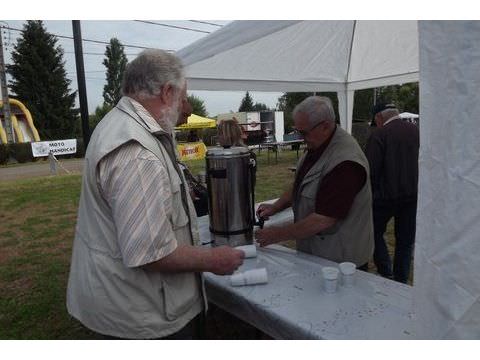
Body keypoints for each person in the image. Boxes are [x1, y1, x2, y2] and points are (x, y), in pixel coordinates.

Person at [66, 49, 244, 340]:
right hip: (140, 317)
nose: (187, 108)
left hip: (129, 304)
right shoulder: (136, 153)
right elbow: (150, 253)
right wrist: (213, 260)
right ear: (166, 91)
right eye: (184, 97)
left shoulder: (125, 125)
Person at [255, 96, 373, 269]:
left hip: (341, 261)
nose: (301, 138)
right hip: (318, 253)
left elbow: (323, 220)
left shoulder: (346, 163)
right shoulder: (317, 144)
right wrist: (276, 206)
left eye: (304, 132)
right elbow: (300, 183)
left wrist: (276, 234)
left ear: (325, 126)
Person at [365, 102, 419, 283]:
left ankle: (386, 271)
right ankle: (401, 279)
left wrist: (369, 196)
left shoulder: (379, 135)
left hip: (384, 198)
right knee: (405, 241)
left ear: (379, 118)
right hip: (412, 196)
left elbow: (371, 170)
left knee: (372, 231)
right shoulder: (416, 131)